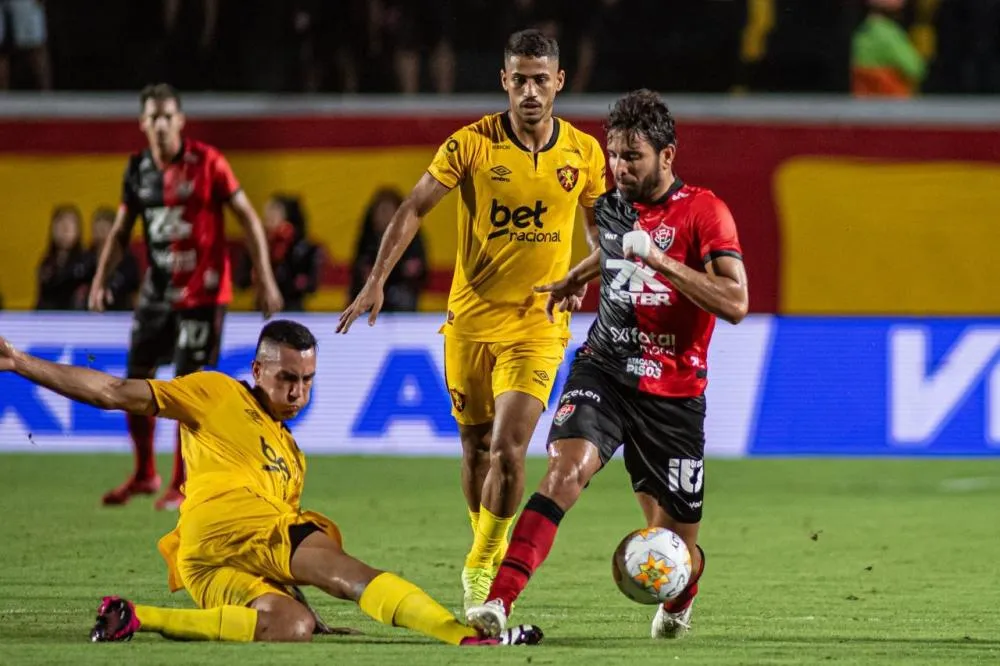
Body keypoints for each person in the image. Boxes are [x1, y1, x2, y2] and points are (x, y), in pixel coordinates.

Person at [0, 320, 542, 646]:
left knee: (291, 625)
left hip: (203, 557)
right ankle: (464, 635)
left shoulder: (290, 454)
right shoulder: (215, 392)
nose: (298, 391)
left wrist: (307, 610)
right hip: (226, 522)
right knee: (351, 575)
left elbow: (272, 552)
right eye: (286, 377)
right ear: (256, 370)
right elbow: (115, 391)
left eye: (307, 380)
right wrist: (20, 362)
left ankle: (136, 617)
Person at [337, 28, 607, 611]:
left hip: (538, 322)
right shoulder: (471, 144)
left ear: (559, 82)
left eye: (541, 79)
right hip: (470, 321)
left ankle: (484, 562)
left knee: (511, 450)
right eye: (520, 79)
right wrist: (377, 278)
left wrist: (590, 271)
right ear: (504, 82)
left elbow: (597, 223)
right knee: (476, 449)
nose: (531, 91)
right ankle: (485, 536)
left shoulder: (584, 153)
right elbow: (413, 206)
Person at [465, 89, 749, 640]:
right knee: (563, 471)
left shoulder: (705, 212)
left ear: (667, 156)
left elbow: (736, 302)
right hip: (606, 369)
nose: (618, 168)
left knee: (675, 549)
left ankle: (679, 597)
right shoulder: (614, 205)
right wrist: (577, 277)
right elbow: (617, 248)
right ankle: (497, 601)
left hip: (674, 394)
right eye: (614, 154)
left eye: (632, 156)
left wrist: (660, 260)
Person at [88, 83, 284, 511]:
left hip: (204, 293)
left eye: (167, 116)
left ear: (180, 121)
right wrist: (101, 277)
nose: (160, 124)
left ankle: (182, 481)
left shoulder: (209, 162)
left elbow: (248, 218)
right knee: (136, 376)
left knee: (186, 388)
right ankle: (144, 473)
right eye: (152, 117)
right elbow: (122, 230)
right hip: (157, 291)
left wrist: (265, 278)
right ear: (143, 123)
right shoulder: (137, 169)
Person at [236, 193, 322, 312]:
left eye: (274, 212)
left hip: (293, 311)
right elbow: (241, 281)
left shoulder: (304, 248)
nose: (268, 217)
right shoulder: (256, 246)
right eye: (267, 212)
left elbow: (311, 284)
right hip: (261, 311)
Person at [349, 187, 427, 313]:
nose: (385, 216)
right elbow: (357, 270)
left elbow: (421, 272)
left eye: (389, 211)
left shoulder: (412, 238)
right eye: (381, 211)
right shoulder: (367, 238)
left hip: (402, 295)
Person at [84, 206, 140, 312]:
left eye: (104, 230)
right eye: (97, 230)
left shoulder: (128, 261)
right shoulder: (86, 259)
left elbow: (133, 290)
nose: (101, 235)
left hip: (121, 313)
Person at [36, 205, 91, 311]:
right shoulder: (47, 263)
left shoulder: (88, 262)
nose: (64, 230)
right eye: (60, 225)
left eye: (69, 225)